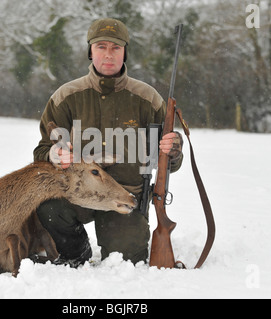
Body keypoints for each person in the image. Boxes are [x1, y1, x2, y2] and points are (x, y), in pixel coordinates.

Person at [33, 18, 183, 267]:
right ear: (90, 52)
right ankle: (77, 253)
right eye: (101, 47)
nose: (108, 54)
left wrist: (173, 150)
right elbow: (41, 151)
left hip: (127, 197)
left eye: (116, 47)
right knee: (49, 207)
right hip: (78, 194)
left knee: (126, 262)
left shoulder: (148, 99)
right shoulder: (66, 97)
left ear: (125, 52)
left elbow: (168, 163)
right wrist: (54, 155)